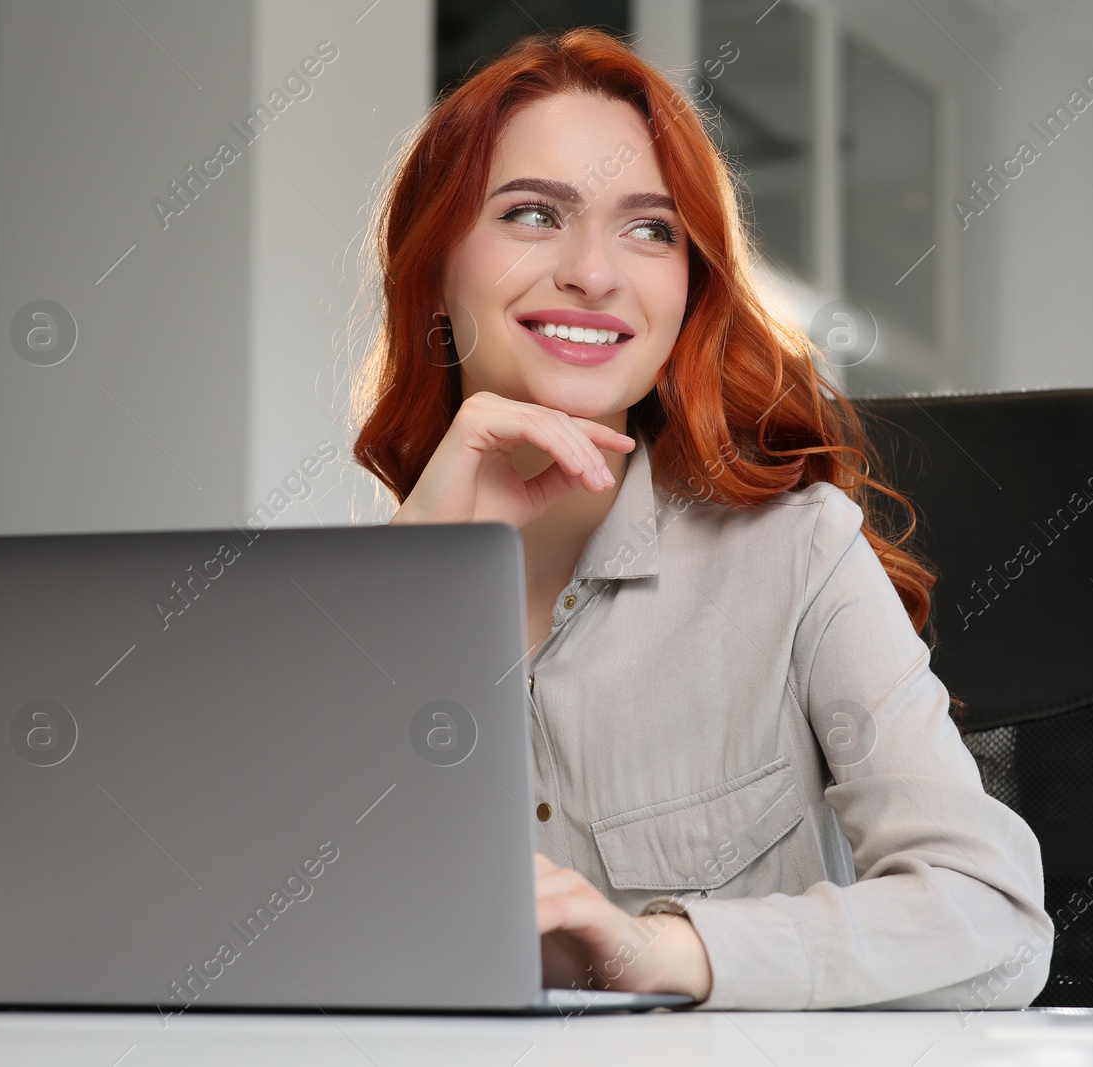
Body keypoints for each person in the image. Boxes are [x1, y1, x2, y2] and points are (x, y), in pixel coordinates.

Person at [347, 26, 1052, 1011]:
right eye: (532, 213)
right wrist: (408, 595)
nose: (595, 272)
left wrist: (654, 948)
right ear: (432, 269)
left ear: (689, 287)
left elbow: (995, 923)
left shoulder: (797, 551)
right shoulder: (340, 607)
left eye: (649, 228)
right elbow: (236, 928)